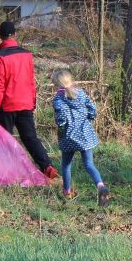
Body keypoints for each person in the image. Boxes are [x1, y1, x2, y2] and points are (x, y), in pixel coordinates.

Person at [0, 21, 57, 179]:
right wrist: (33, 103)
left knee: (4, 141)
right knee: (30, 138)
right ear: (15, 35)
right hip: (25, 104)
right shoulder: (26, 55)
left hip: (6, 106)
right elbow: (31, 81)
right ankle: (47, 166)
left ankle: (5, 174)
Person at [51, 69, 110, 206]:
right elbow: (92, 109)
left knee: (66, 165)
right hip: (85, 135)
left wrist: (60, 128)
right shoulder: (82, 93)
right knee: (89, 165)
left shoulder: (58, 99)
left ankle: (67, 191)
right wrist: (89, 118)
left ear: (56, 85)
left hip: (68, 137)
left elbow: (61, 120)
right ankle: (101, 186)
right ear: (70, 80)